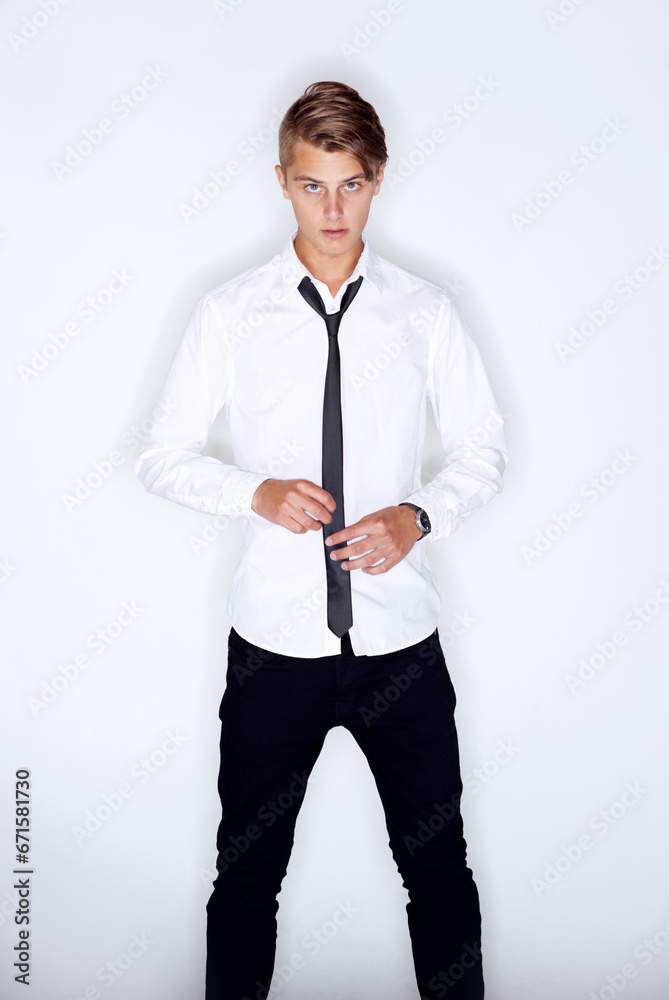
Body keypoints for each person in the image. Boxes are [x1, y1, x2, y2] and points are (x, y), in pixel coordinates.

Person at [135, 80, 507, 1000]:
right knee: (245, 879)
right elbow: (161, 456)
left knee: (439, 872)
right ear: (281, 182)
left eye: (349, 185)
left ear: (377, 179)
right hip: (274, 649)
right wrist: (252, 491)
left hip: (399, 647)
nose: (331, 210)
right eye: (311, 186)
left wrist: (416, 516)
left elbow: (482, 450)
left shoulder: (424, 312)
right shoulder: (231, 312)